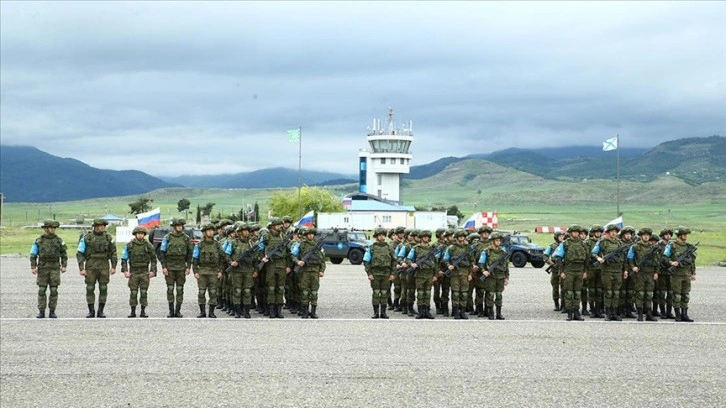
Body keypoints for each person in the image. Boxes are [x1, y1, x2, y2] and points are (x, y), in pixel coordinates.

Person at [77, 218, 117, 318]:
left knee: (103, 288)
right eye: (99, 226)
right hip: (91, 265)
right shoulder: (87, 238)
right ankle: (91, 311)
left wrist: (113, 266)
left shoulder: (108, 238)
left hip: (104, 265)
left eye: (103, 226)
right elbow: (80, 253)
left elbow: (113, 253)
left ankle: (101, 311)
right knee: (90, 288)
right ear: (94, 227)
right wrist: (81, 268)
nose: (101, 227)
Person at [30, 220, 68, 318]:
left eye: (55, 228)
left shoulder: (59, 240)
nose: (54, 229)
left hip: (55, 267)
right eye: (52, 228)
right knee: (42, 290)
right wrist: (33, 267)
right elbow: (33, 254)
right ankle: (41, 311)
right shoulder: (39, 241)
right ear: (46, 229)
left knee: (54, 289)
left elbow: (64, 254)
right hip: (43, 267)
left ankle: (52, 311)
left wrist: (64, 265)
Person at [591, 224, 628, 321]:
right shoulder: (602, 242)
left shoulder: (620, 243)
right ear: (608, 232)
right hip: (607, 270)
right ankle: (607, 313)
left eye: (615, 231)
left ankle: (614, 313)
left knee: (616, 293)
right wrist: (598, 258)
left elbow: (624, 259)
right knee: (608, 292)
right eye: (612, 231)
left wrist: (625, 270)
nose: (614, 233)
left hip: (618, 270)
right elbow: (593, 252)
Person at [159, 218, 193, 318]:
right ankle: (171, 311)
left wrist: (188, 267)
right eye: (178, 226)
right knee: (170, 289)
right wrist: (164, 267)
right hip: (170, 267)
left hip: (181, 267)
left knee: (180, 289)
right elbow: (162, 253)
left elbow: (190, 254)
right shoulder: (167, 237)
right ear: (174, 227)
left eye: (181, 226)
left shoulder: (186, 238)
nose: (180, 227)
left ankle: (178, 310)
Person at [552, 225, 588, 321]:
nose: (576, 234)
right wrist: (562, 271)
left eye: (577, 232)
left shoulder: (583, 244)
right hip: (569, 271)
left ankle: (577, 312)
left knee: (577, 293)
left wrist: (585, 271)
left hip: (579, 271)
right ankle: (569, 313)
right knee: (569, 293)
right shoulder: (565, 244)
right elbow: (559, 257)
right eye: (574, 232)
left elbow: (587, 259)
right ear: (571, 233)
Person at [121, 226, 157, 318]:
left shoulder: (148, 245)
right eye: (138, 233)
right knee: (133, 292)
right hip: (134, 272)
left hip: (144, 272)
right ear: (135, 234)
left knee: (144, 292)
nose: (140, 235)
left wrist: (153, 271)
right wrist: (125, 271)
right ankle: (132, 311)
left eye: (142, 234)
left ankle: (143, 311)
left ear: (144, 235)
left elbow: (153, 259)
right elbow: (124, 258)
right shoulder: (129, 245)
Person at [224, 223, 258, 318]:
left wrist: (256, 270)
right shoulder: (233, 243)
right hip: (237, 271)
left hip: (248, 271)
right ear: (239, 232)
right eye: (244, 231)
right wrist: (231, 262)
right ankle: (237, 311)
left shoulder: (251, 243)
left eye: (247, 231)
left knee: (247, 291)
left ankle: (246, 311)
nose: (246, 232)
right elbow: (226, 255)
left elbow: (256, 259)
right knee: (237, 291)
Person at [259, 218, 291, 318]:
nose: (280, 226)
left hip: (281, 264)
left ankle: (279, 310)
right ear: (273, 226)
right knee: (271, 288)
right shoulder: (266, 236)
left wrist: (288, 266)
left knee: (280, 288)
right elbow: (259, 249)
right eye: (278, 225)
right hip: (270, 265)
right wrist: (262, 258)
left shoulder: (283, 236)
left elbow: (288, 252)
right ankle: (271, 311)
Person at [664, 227, 697, 322]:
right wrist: (671, 263)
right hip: (676, 275)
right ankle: (678, 315)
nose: (685, 236)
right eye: (684, 235)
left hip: (686, 274)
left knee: (685, 295)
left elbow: (692, 261)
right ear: (679, 235)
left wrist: (693, 272)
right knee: (677, 296)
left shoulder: (688, 247)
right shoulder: (671, 245)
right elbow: (664, 257)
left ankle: (684, 315)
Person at [292, 227, 326, 318]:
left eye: (312, 234)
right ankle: (305, 312)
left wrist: (322, 270)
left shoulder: (318, 246)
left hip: (315, 272)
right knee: (305, 292)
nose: (311, 235)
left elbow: (322, 260)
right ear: (306, 236)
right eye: (309, 234)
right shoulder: (301, 245)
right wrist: (298, 262)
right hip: (304, 272)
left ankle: (313, 312)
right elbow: (293, 255)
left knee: (314, 292)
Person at [626, 228, 659, 322]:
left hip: (650, 273)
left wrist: (656, 272)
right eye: (644, 235)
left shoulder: (653, 248)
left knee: (649, 294)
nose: (646, 236)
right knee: (640, 294)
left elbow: (656, 261)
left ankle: (648, 314)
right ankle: (640, 314)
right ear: (641, 236)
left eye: (648, 235)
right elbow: (630, 258)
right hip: (639, 273)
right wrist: (633, 267)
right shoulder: (635, 246)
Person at [363, 228, 396, 318]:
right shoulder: (372, 248)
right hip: (375, 274)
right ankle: (376, 312)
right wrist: (369, 273)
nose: (381, 237)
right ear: (376, 237)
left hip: (386, 274)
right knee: (376, 293)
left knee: (385, 293)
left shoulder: (389, 248)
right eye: (379, 235)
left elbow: (394, 261)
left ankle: (383, 312)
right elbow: (366, 261)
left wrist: (393, 274)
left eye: (383, 235)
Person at [193, 223, 224, 318]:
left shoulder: (217, 245)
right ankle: (202, 312)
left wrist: (220, 271)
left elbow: (222, 259)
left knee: (213, 292)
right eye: (208, 230)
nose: (211, 232)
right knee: (201, 292)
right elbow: (195, 259)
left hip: (214, 271)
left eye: (212, 230)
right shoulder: (199, 245)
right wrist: (195, 271)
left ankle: (211, 312)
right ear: (204, 232)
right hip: (202, 271)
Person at [406, 230, 438, 319]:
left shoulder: (433, 249)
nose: (425, 238)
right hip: (419, 274)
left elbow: (436, 263)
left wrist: (435, 275)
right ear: (420, 238)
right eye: (424, 237)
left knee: (427, 293)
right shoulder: (416, 248)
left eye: (427, 237)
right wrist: (412, 264)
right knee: (420, 293)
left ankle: (427, 311)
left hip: (429, 274)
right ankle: (420, 311)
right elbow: (408, 259)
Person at [443, 230, 474, 320]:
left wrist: (470, 274)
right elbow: (445, 259)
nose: (461, 238)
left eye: (463, 236)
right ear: (456, 238)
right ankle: (456, 311)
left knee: (464, 294)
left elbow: (472, 262)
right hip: (455, 274)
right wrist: (449, 265)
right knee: (455, 293)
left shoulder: (468, 248)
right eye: (460, 236)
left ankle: (463, 312)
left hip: (465, 274)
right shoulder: (451, 248)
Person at [478, 232, 510, 320]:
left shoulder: (503, 252)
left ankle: (499, 313)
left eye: (499, 240)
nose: (498, 242)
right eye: (496, 240)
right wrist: (483, 271)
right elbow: (481, 263)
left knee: (499, 295)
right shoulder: (486, 251)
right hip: (491, 277)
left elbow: (506, 266)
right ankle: (490, 313)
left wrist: (507, 277)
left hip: (500, 276)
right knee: (490, 295)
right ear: (492, 241)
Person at [544, 231, 565, 312]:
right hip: (555, 270)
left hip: (563, 269)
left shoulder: (565, 245)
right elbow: (545, 256)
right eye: (560, 236)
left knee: (564, 288)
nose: (561, 237)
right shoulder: (552, 246)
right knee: (555, 287)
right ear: (556, 237)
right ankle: (556, 304)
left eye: (562, 236)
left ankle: (564, 305)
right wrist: (551, 263)